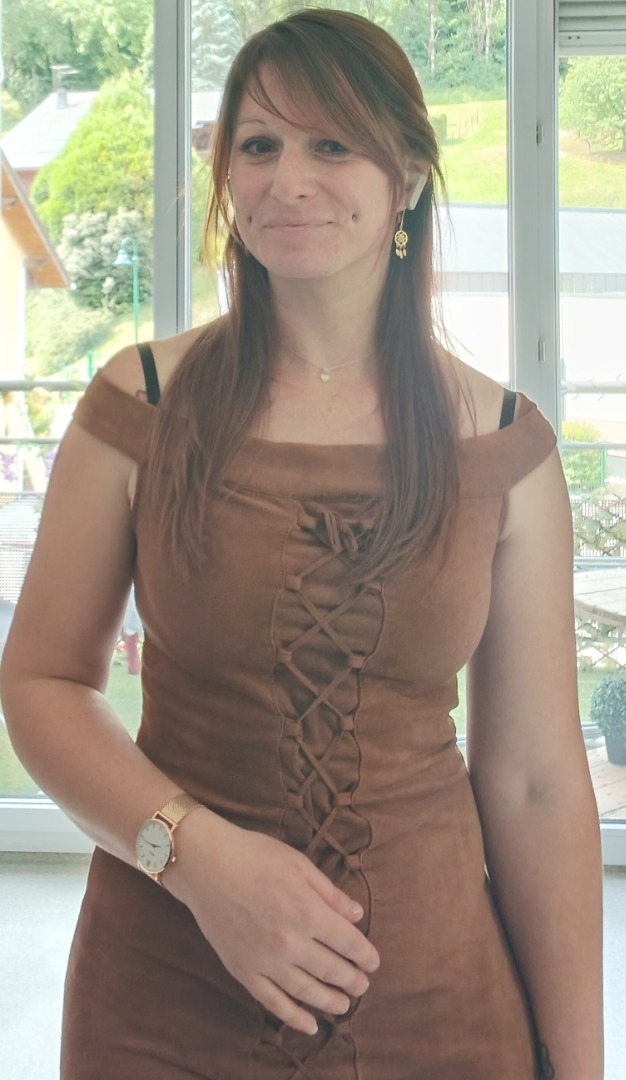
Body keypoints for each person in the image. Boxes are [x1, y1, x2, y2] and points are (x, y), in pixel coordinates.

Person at [1, 9, 602, 1079]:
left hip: (438, 1008)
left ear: (406, 177)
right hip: (159, 996)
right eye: (258, 144)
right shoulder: (140, 402)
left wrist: (579, 1055)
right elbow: (43, 681)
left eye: (332, 144)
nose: (289, 179)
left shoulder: (504, 446)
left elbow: (534, 783)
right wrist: (195, 859)